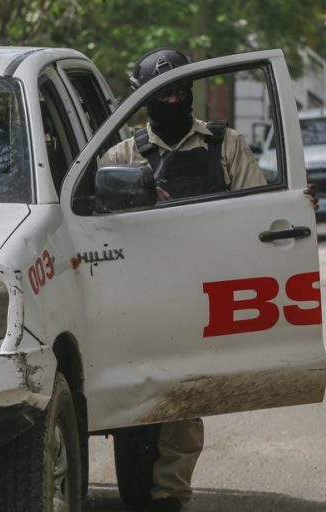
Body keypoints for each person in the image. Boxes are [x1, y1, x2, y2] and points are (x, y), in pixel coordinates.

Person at [100, 47, 268, 512]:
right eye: (162, 93)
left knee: (185, 399)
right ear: (143, 98)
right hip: (135, 296)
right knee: (131, 397)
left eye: (179, 92)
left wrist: (295, 206)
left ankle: (171, 496)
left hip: (200, 295)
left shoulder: (225, 145)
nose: (172, 102)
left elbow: (258, 213)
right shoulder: (121, 153)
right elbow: (96, 224)